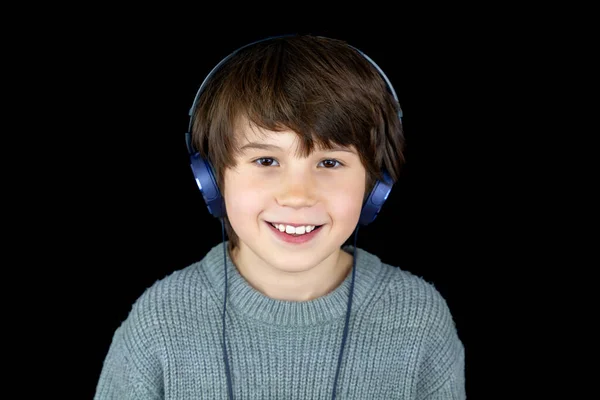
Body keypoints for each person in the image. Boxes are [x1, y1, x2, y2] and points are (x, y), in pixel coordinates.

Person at [94, 34, 465, 399]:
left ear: (376, 185)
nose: (297, 195)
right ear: (210, 179)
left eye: (330, 162)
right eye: (266, 160)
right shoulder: (160, 320)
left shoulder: (419, 318)